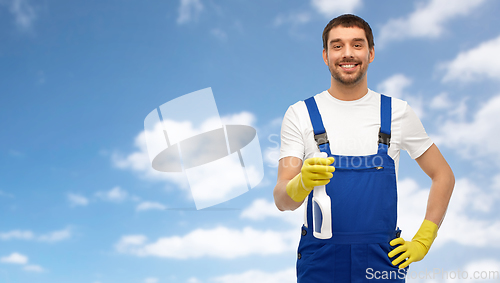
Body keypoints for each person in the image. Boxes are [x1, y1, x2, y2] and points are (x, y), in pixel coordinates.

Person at [273, 14, 455, 282]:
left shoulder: (397, 112)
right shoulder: (299, 114)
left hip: (382, 259)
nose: (347, 54)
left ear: (371, 53)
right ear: (325, 55)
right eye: (337, 46)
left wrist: (423, 240)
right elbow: (281, 199)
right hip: (319, 259)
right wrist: (301, 183)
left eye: (357, 45)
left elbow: (443, 175)